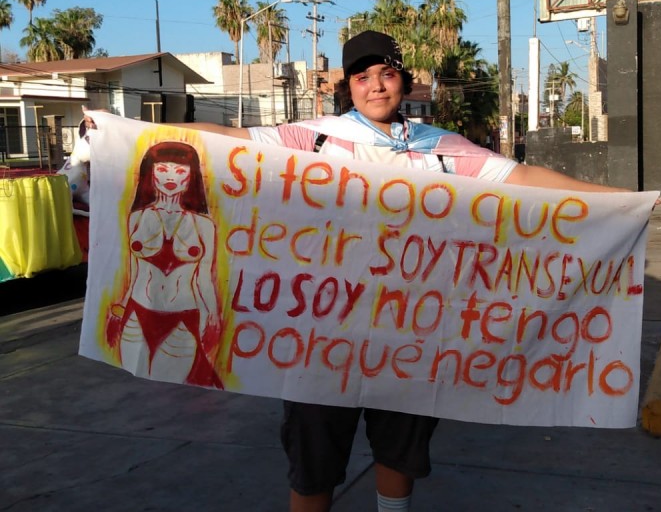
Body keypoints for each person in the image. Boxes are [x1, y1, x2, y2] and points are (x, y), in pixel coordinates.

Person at [87, 30, 628, 512]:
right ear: (348, 86)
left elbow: (522, 176)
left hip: (408, 336)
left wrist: (623, 203)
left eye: (386, 73)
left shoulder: (440, 149)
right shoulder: (312, 140)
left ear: (402, 81)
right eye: (363, 76)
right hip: (318, 341)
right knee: (313, 463)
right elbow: (223, 143)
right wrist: (127, 134)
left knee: (401, 452)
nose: (376, 86)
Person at [106, 141, 223, 387]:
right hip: (138, 314)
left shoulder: (203, 225)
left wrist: (212, 316)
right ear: (151, 173)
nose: (171, 177)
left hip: (182, 318)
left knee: (172, 392)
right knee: (139, 390)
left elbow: (205, 278)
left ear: (191, 177)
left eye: (180, 171)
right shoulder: (137, 218)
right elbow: (134, 272)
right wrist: (118, 310)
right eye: (162, 170)